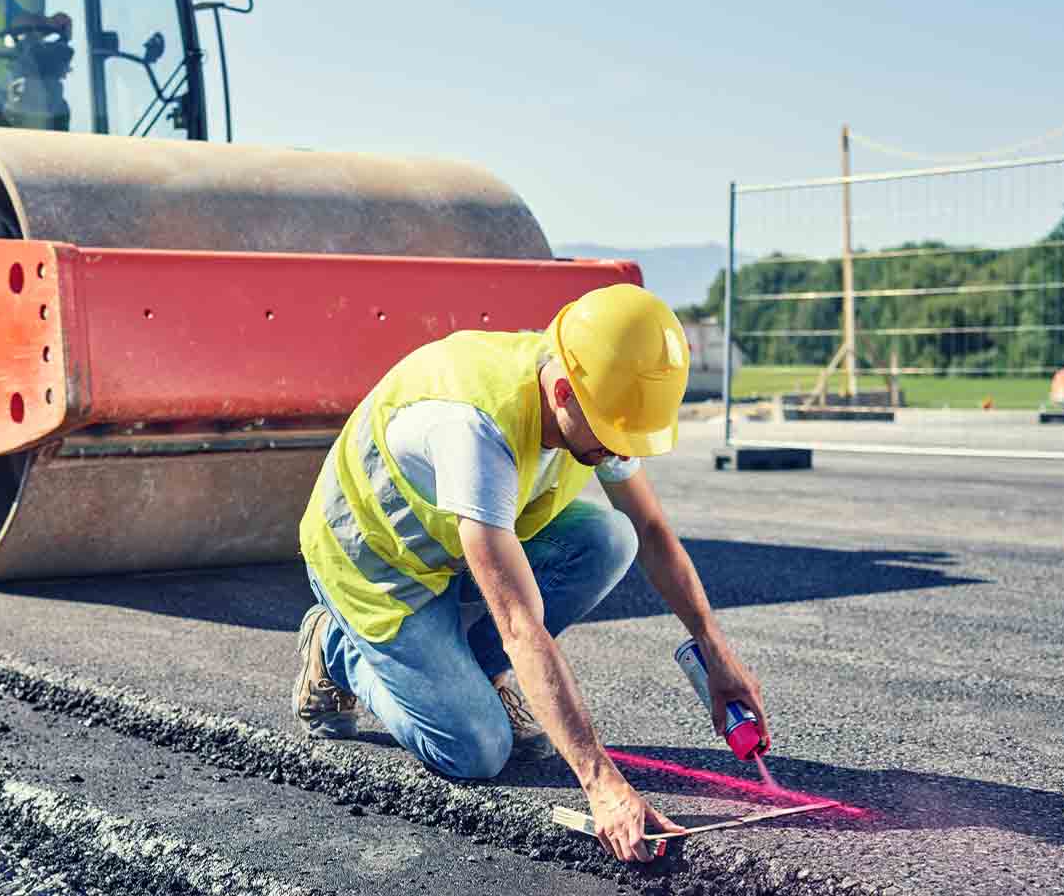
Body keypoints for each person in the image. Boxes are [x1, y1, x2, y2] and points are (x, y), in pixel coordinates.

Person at [291, 284, 769, 864]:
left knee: (609, 539)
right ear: (564, 391)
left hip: (459, 538)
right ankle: (340, 648)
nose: (620, 451)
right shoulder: (473, 429)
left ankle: (472, 675)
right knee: (477, 750)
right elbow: (521, 624)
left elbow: (652, 533)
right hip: (376, 562)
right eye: (614, 435)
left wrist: (716, 652)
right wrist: (603, 785)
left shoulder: (597, 393)